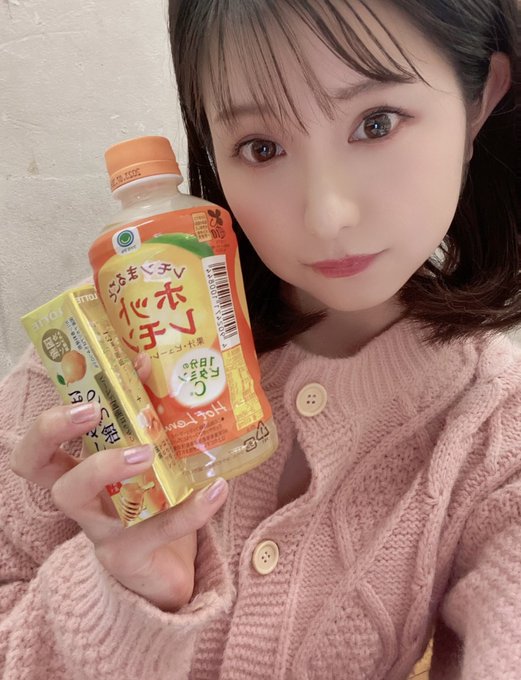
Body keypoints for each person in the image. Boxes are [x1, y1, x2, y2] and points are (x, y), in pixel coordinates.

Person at [1, 0, 519, 678]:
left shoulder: (496, 432)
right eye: (261, 147)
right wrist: (118, 598)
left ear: (480, 100)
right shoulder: (94, 355)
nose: (326, 215)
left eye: (377, 122)